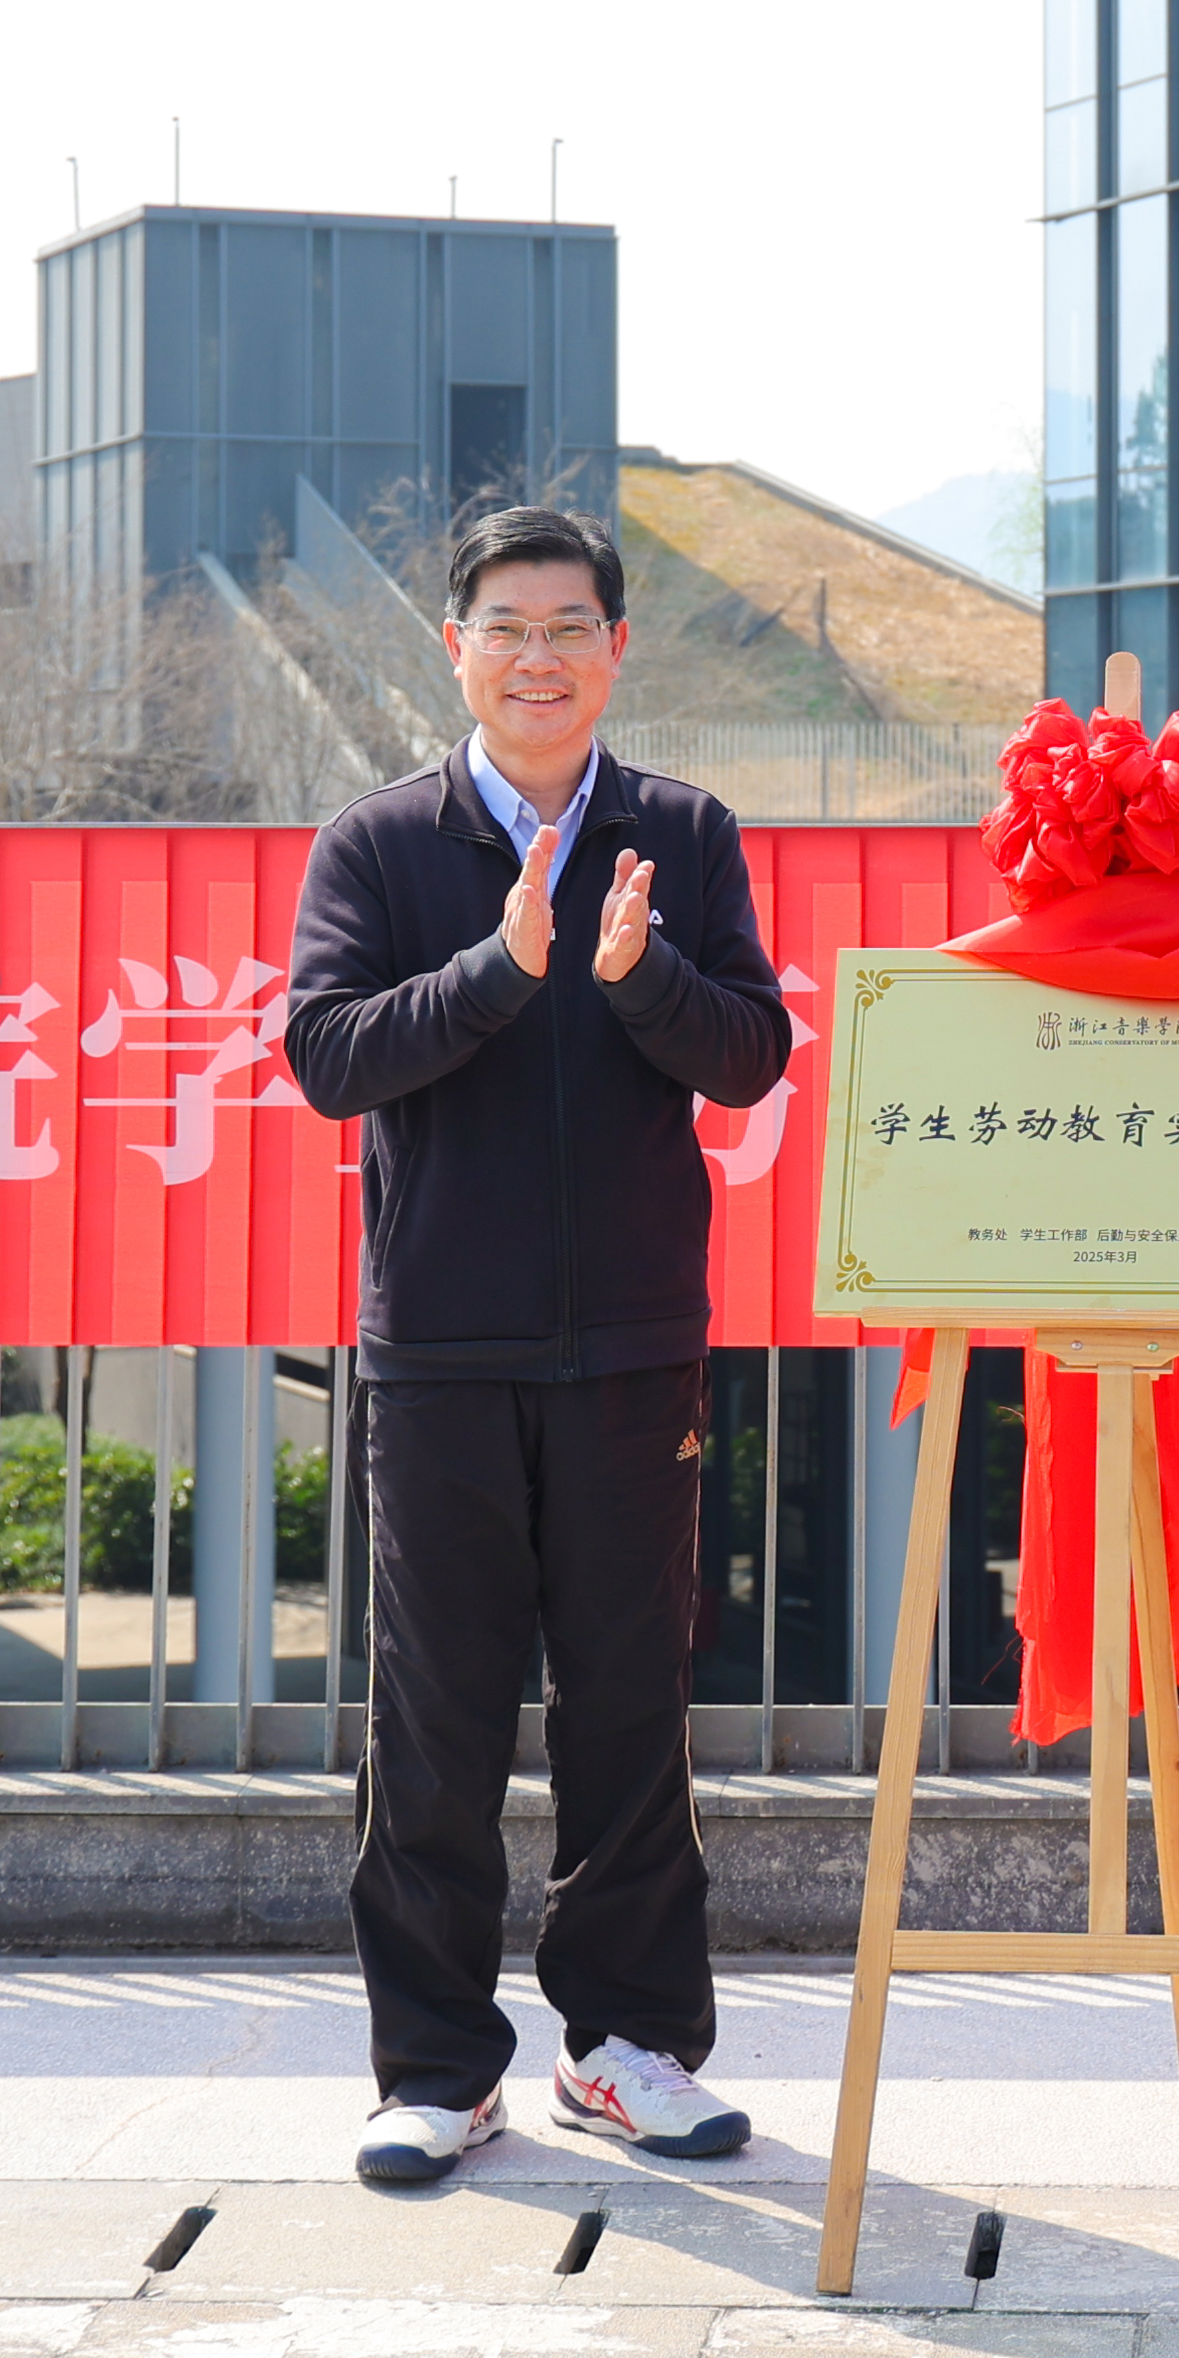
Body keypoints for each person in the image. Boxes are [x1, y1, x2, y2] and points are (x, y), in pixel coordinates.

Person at [286, 504, 795, 2184]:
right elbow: (331, 1058)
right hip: (440, 1351)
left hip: (635, 1347)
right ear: (458, 649)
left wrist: (641, 979)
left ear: (616, 649)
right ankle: (437, 2070)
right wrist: (502, 967)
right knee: (432, 1720)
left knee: (630, 1711)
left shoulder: (682, 832)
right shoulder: (379, 844)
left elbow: (750, 1057)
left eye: (571, 627)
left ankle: (627, 2047)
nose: (539, 658)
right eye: (506, 628)